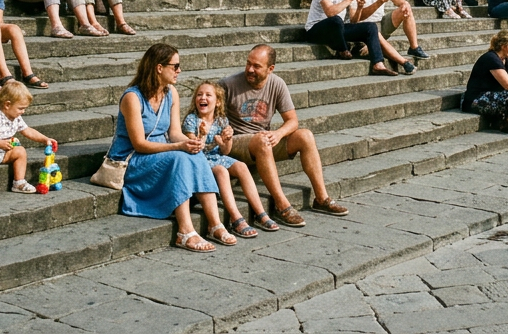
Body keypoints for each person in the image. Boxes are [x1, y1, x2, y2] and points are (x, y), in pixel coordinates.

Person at [106, 44, 230, 251]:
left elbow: (174, 133)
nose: (179, 71)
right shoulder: (132, 98)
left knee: (195, 155)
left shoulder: (171, 92)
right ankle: (185, 231)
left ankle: (214, 223)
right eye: (175, 66)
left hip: (159, 152)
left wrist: (190, 143)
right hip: (132, 159)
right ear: (159, 68)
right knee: (179, 157)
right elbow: (139, 144)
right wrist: (178, 146)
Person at [222, 45, 348, 226]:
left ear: (270, 69)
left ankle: (321, 198)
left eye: (256, 66)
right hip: (236, 142)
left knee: (305, 135)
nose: (250, 69)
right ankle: (282, 205)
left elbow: (292, 121)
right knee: (262, 140)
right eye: (248, 64)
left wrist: (278, 133)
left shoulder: (277, 84)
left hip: (264, 139)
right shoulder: (228, 84)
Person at [183, 81, 275, 238]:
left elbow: (226, 151)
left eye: (208, 95)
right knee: (221, 171)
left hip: (216, 157)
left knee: (241, 166)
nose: (202, 98)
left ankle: (260, 213)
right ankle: (236, 218)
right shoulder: (192, 120)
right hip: (200, 161)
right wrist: (202, 134)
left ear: (217, 101)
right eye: (199, 94)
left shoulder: (221, 120)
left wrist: (226, 140)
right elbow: (194, 148)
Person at [304, 0, 403, 75]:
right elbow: (330, 13)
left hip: (338, 30)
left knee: (370, 26)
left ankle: (378, 64)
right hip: (316, 31)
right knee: (336, 20)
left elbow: (353, 22)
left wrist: (360, 7)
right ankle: (343, 49)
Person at [0, 80, 55, 201]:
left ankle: (18, 182)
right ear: (7, 105)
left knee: (20, 151)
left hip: (2, 152)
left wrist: (45, 139)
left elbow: (28, 131)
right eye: (20, 108)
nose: (23, 111)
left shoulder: (16, 118)